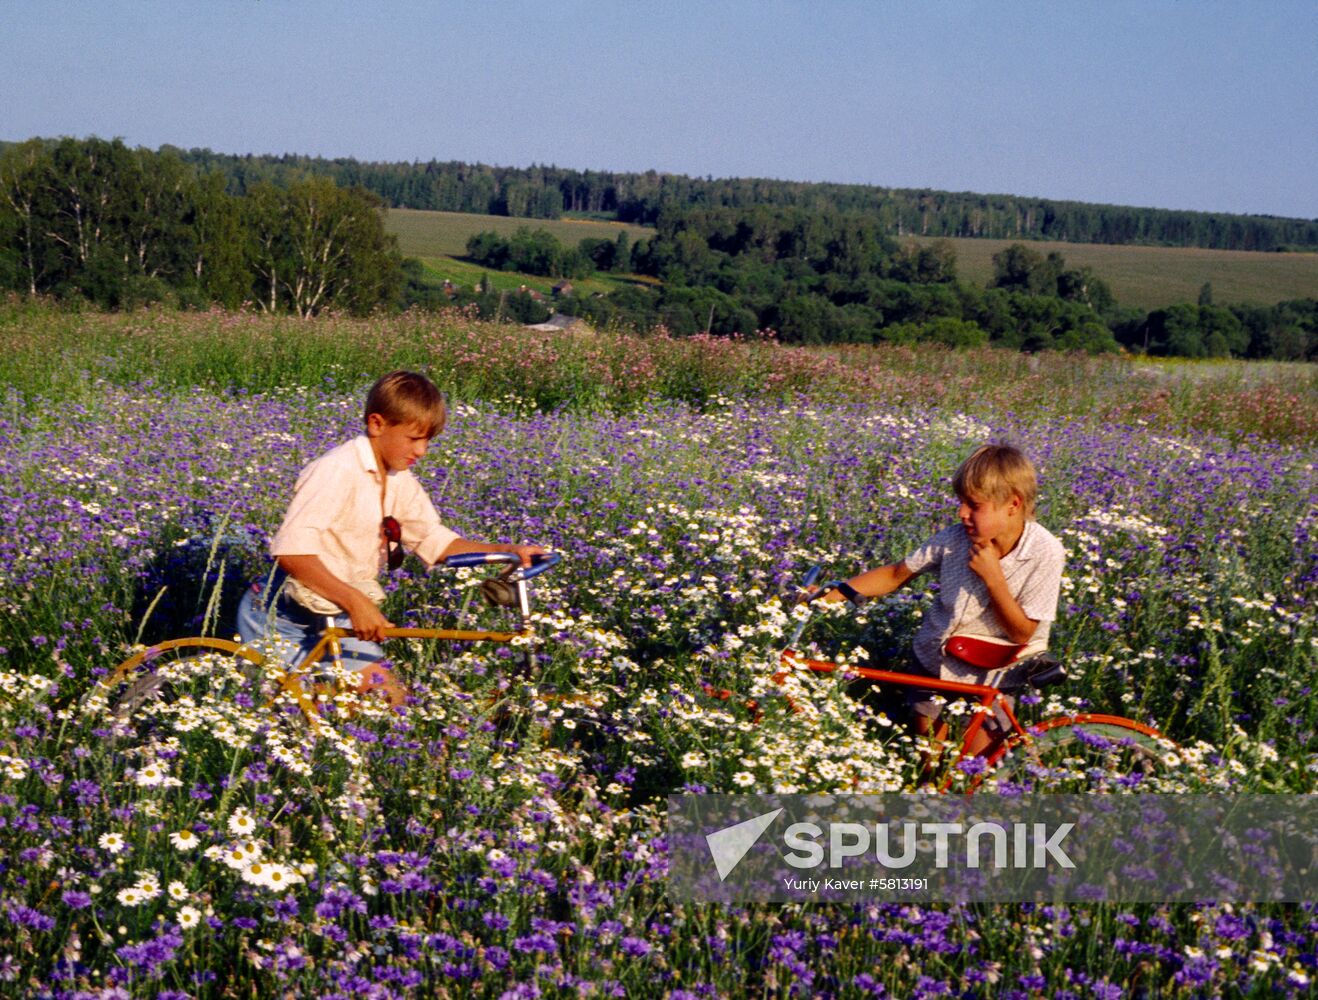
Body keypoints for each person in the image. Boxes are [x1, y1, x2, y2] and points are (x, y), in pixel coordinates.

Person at [236, 370, 544, 706]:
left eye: (429, 440)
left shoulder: (398, 479)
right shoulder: (336, 470)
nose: (423, 451)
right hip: (281, 615)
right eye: (414, 439)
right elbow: (291, 553)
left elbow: (435, 540)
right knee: (293, 711)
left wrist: (508, 552)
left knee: (389, 701)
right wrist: (357, 602)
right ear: (377, 424)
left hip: (335, 608)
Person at [812, 443, 1065, 757]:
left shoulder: (1045, 551)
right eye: (961, 503)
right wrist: (835, 594)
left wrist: (994, 577)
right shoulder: (954, 538)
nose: (962, 513)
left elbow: (1022, 632)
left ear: (1013, 504)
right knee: (930, 761)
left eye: (974, 505)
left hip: (992, 673)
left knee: (979, 770)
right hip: (934, 663)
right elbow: (895, 574)